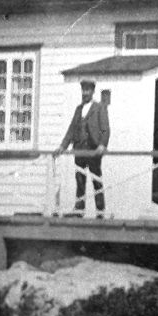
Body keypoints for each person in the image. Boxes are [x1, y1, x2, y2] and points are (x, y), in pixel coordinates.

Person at [56, 79, 109, 216]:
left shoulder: (99, 107)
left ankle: (100, 212)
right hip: (79, 149)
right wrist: (63, 146)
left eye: (88, 90)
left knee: (96, 180)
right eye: (83, 90)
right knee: (80, 180)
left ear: (92, 91)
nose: (85, 93)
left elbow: (105, 129)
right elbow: (71, 129)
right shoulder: (78, 109)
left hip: (93, 150)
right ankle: (79, 210)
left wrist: (102, 145)